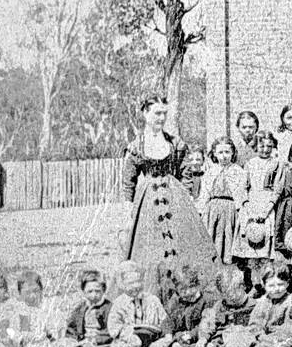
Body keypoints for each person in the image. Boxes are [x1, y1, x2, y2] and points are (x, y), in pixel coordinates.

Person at [121, 94, 217, 301]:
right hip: (147, 204)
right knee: (151, 254)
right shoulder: (136, 146)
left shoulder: (175, 143)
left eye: (164, 113)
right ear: (145, 113)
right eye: (157, 113)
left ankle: (189, 295)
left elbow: (185, 171)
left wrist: (186, 196)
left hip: (175, 199)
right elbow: (128, 181)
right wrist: (129, 210)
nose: (161, 118)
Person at [230, 264, 292, 347]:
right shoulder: (263, 302)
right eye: (271, 286)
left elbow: (290, 328)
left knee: (267, 344)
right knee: (239, 332)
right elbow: (255, 322)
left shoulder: (291, 302)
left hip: (278, 338)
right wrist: (258, 333)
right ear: (264, 285)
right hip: (261, 336)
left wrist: (270, 333)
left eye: (280, 284)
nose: (276, 289)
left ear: (287, 283)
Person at [231, 130, 283, 275]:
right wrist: (248, 207)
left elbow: (277, 190)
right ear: (255, 146)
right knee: (251, 242)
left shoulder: (277, 165)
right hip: (251, 205)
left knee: (264, 243)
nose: (265, 149)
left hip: (267, 206)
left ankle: (265, 278)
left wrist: (267, 210)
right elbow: (243, 187)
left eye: (269, 146)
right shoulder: (249, 164)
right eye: (262, 146)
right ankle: (254, 280)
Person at [108, 262, 172, 347]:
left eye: (138, 282)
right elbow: (113, 326)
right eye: (130, 283)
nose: (135, 287)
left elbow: (164, 320)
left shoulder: (152, 300)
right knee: (126, 345)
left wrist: (167, 334)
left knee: (160, 345)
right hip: (130, 342)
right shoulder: (119, 303)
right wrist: (126, 332)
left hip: (151, 340)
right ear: (123, 285)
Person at [197, 137, 247, 267]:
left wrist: (241, 214)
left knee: (228, 242)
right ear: (214, 153)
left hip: (230, 212)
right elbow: (204, 194)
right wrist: (201, 211)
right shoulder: (210, 172)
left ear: (232, 153)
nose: (224, 156)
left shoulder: (239, 172)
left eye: (227, 152)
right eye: (220, 152)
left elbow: (241, 195)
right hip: (212, 212)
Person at [195, 270, 258, 347]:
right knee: (211, 342)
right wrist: (203, 337)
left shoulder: (253, 305)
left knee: (239, 338)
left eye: (234, 292)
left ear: (243, 287)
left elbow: (256, 327)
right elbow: (209, 321)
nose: (231, 297)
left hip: (240, 341)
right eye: (226, 294)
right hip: (221, 339)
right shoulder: (220, 306)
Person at [53, 270, 116, 347]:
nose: (94, 295)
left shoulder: (109, 308)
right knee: (64, 344)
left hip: (101, 344)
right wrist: (72, 340)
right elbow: (72, 328)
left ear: (104, 290)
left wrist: (97, 340)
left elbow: (110, 330)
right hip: (83, 343)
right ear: (83, 291)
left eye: (97, 291)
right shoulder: (80, 309)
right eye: (90, 291)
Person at [163, 266, 212, 347]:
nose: (182, 294)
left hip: (199, 338)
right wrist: (168, 334)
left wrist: (191, 334)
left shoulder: (206, 301)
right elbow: (168, 319)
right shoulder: (179, 300)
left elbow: (206, 324)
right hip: (182, 339)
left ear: (195, 287)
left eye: (184, 290)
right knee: (173, 345)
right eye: (179, 290)